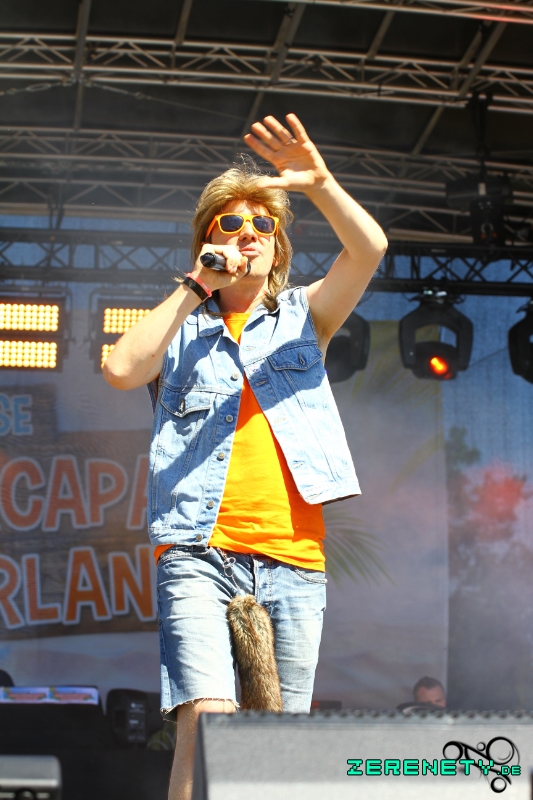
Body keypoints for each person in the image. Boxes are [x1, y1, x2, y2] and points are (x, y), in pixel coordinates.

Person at [103, 113, 387, 800]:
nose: (248, 234)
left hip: (293, 557)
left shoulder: (304, 317)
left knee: (274, 751)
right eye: (230, 224)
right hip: (198, 549)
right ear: (207, 240)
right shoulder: (182, 324)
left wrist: (319, 184)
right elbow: (120, 369)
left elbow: (369, 248)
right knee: (206, 718)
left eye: (263, 225)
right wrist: (195, 285)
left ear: (278, 246)